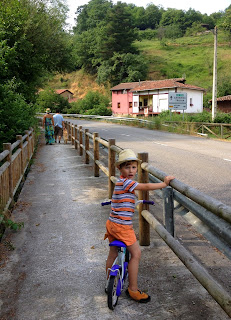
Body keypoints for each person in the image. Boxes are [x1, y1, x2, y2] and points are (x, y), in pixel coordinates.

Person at [105, 149, 175, 303]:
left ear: (137, 167)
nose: (131, 170)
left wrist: (131, 197)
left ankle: (108, 283)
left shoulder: (120, 182)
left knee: (112, 253)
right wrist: (164, 183)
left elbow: (125, 195)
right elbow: (146, 186)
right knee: (136, 254)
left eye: (133, 167)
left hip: (111, 224)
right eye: (127, 167)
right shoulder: (129, 183)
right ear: (120, 169)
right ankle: (133, 290)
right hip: (123, 227)